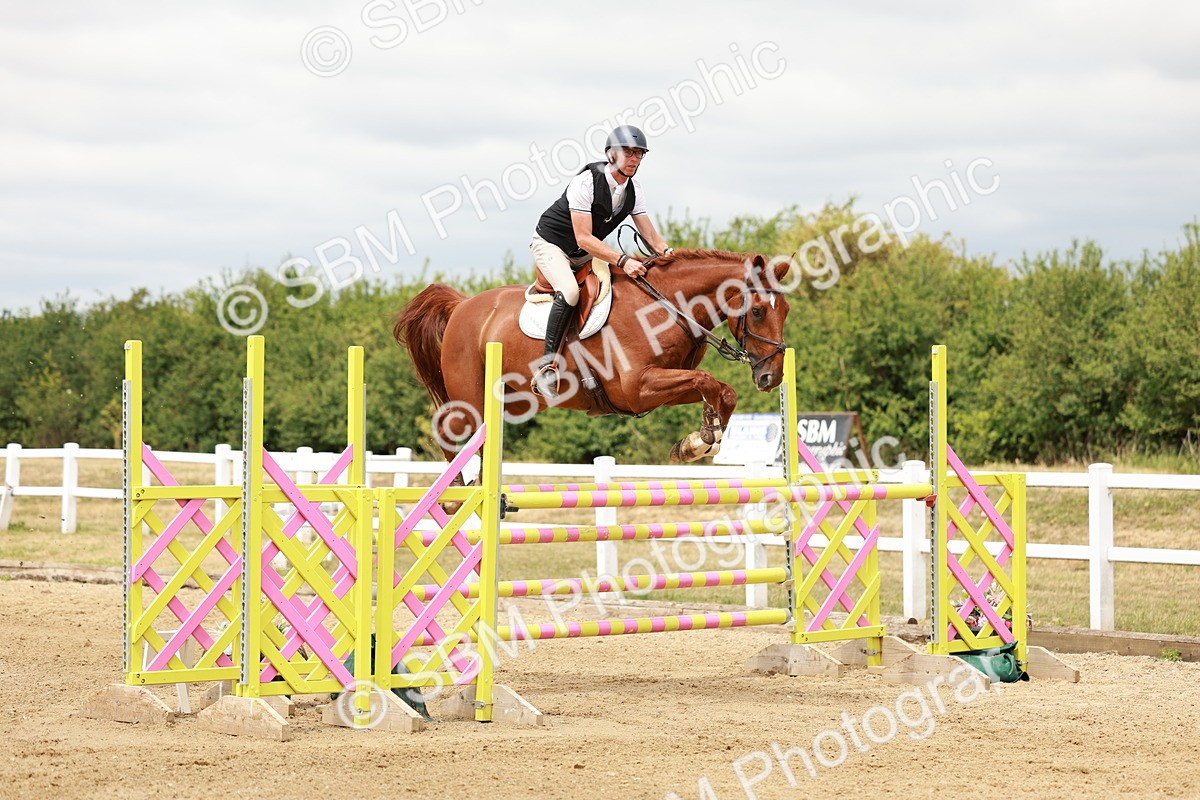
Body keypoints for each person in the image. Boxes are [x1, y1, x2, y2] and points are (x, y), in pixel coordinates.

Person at [529, 124, 672, 398]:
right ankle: (547, 367)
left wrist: (670, 255)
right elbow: (583, 237)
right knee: (570, 291)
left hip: (583, 253)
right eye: (628, 152)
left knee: (622, 289)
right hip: (551, 244)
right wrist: (623, 259)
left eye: (639, 154)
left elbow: (650, 234)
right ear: (611, 154)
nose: (634, 159)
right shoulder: (586, 182)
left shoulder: (634, 190)